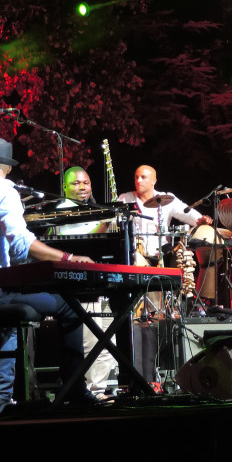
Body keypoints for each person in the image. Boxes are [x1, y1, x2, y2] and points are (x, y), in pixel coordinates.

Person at [0, 139, 97, 412]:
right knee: (70, 306)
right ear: (7, 167)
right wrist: (67, 258)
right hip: (2, 290)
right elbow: (21, 246)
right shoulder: (4, 190)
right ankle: (73, 389)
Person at [55, 166, 117, 399]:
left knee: (106, 339)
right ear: (65, 187)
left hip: (101, 282)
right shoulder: (62, 210)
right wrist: (105, 223)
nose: (82, 187)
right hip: (79, 285)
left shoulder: (95, 210)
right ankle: (87, 392)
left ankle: (98, 390)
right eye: (76, 183)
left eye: (86, 183)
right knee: (90, 340)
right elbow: (84, 241)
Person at [118, 165, 212, 264]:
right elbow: (114, 222)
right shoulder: (125, 198)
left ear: (154, 181)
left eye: (143, 177)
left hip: (163, 255)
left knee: (182, 255)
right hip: (137, 255)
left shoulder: (167, 198)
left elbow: (186, 212)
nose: (138, 181)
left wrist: (200, 220)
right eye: (136, 177)